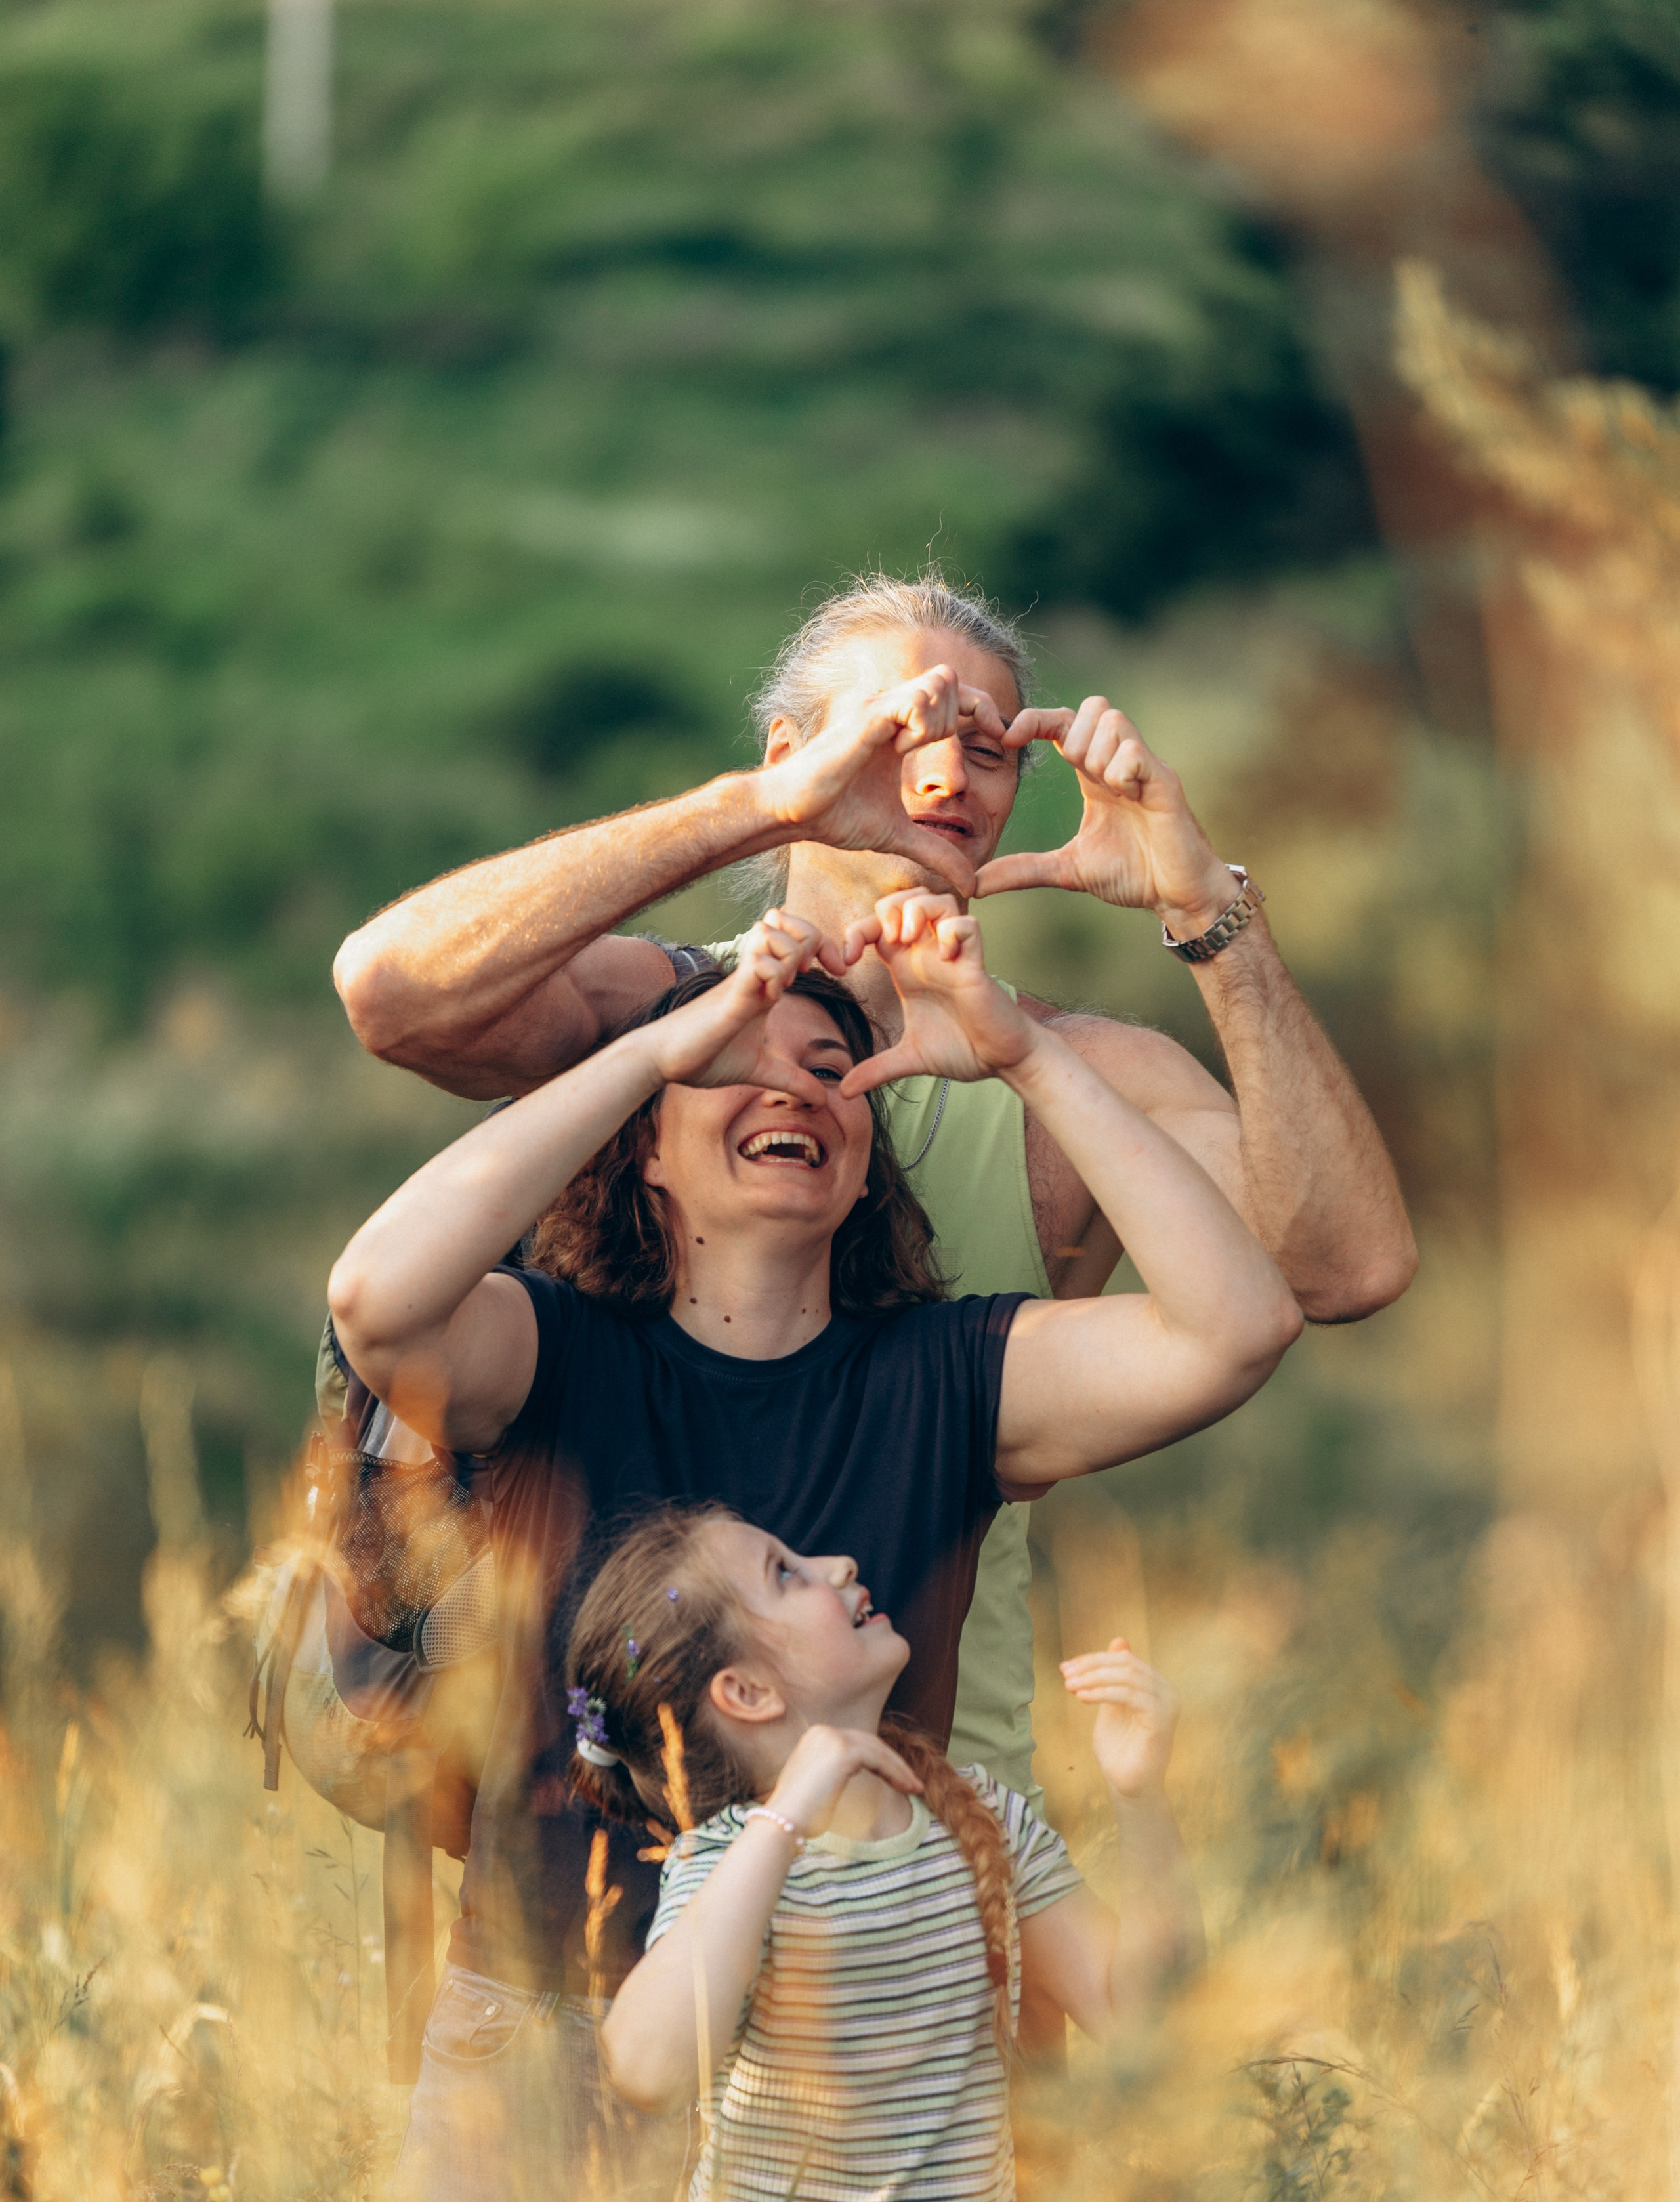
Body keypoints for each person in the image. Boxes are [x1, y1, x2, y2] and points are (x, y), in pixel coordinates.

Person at [328, 892, 1297, 2202]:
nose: (789, 1088)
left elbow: (1236, 1326)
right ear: (647, 1147)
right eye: (735, 1070)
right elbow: (379, 1298)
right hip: (553, 2021)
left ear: (866, 1150)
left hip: (851, 2061)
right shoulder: (554, 1353)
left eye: (832, 1071)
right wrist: (659, 1038)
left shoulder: (944, 1373)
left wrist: (1024, 1056)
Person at [333, 572, 1416, 1802]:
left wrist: (1205, 905)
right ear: (798, 751)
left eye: (984, 748)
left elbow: (1345, 1270)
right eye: (895, 733)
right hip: (584, 1799)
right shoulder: (655, 1025)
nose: (944, 777)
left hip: (932, 1802)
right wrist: (759, 809)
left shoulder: (1077, 1082)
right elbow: (391, 994)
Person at [560, 1502, 1199, 2202]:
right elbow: (643, 2064)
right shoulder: (730, 1868)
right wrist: (787, 1818)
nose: (838, 1562)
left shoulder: (978, 1822)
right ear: (747, 1691)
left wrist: (1141, 1796)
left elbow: (1145, 2018)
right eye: (786, 1573)